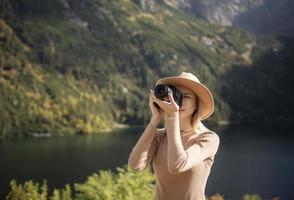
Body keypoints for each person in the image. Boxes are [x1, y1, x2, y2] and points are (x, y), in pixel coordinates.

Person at [128, 72, 220, 200]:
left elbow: (177, 165)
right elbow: (135, 165)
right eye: (176, 96)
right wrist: (155, 119)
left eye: (186, 97)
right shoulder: (160, 136)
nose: (179, 102)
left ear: (196, 105)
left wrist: (172, 116)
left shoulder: (208, 138)